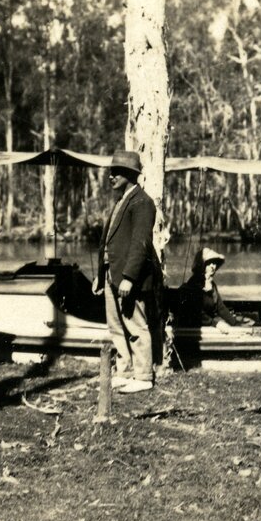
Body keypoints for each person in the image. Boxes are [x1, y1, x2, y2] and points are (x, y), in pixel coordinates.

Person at [93, 150, 158, 393]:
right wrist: (101, 274)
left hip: (129, 278)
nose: (111, 176)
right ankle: (126, 370)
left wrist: (129, 277)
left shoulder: (143, 202)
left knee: (136, 325)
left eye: (117, 172)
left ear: (131, 175)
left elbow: (140, 243)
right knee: (116, 326)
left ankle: (143, 376)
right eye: (111, 172)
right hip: (112, 274)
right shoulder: (121, 202)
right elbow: (108, 242)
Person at [179, 247, 253, 333]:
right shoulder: (193, 284)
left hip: (208, 323)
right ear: (202, 265)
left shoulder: (212, 284)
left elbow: (220, 308)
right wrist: (215, 323)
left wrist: (234, 323)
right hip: (194, 327)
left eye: (214, 263)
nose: (213, 266)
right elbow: (196, 312)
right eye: (209, 263)